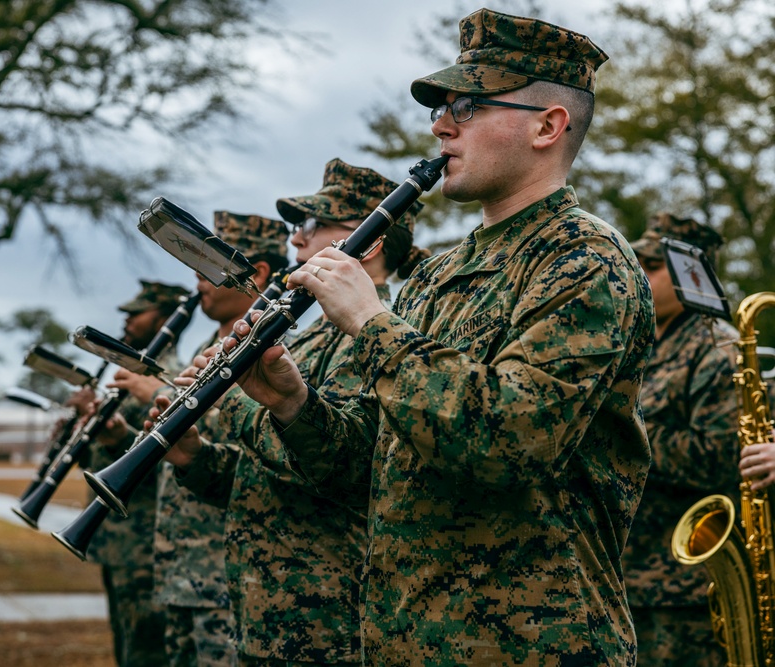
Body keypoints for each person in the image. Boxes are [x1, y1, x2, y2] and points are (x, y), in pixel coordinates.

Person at [205, 9, 654, 665]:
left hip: (531, 648)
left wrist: (373, 324)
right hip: (409, 645)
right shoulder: (444, 270)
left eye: (468, 105)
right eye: (442, 107)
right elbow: (377, 468)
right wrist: (293, 403)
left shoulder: (585, 261)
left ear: (547, 126)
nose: (440, 124)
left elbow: (509, 441)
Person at [164, 159, 426, 666]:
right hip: (269, 617)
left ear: (367, 243)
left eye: (310, 227)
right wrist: (193, 456)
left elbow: (337, 468)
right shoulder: (309, 333)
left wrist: (234, 401)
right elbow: (262, 480)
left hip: (330, 626)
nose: (295, 241)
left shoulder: (380, 332)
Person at [121, 211, 288, 667]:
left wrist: (157, 393)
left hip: (222, 573)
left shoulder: (277, 349)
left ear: (257, 274)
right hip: (179, 569)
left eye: (208, 270)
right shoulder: (202, 351)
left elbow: (262, 455)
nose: (198, 283)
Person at [620, 213, 739, 666]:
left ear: (691, 275)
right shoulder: (642, 339)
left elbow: (717, 460)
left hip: (685, 586)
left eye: (651, 265)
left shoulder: (718, 348)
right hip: (629, 574)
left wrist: (622, 427)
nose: (639, 274)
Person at [80, 280, 190, 667]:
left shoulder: (168, 377)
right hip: (119, 539)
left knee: (146, 652)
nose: (126, 320)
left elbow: (169, 461)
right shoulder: (132, 377)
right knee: (126, 644)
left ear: (162, 318)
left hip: (144, 539)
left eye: (136, 313)